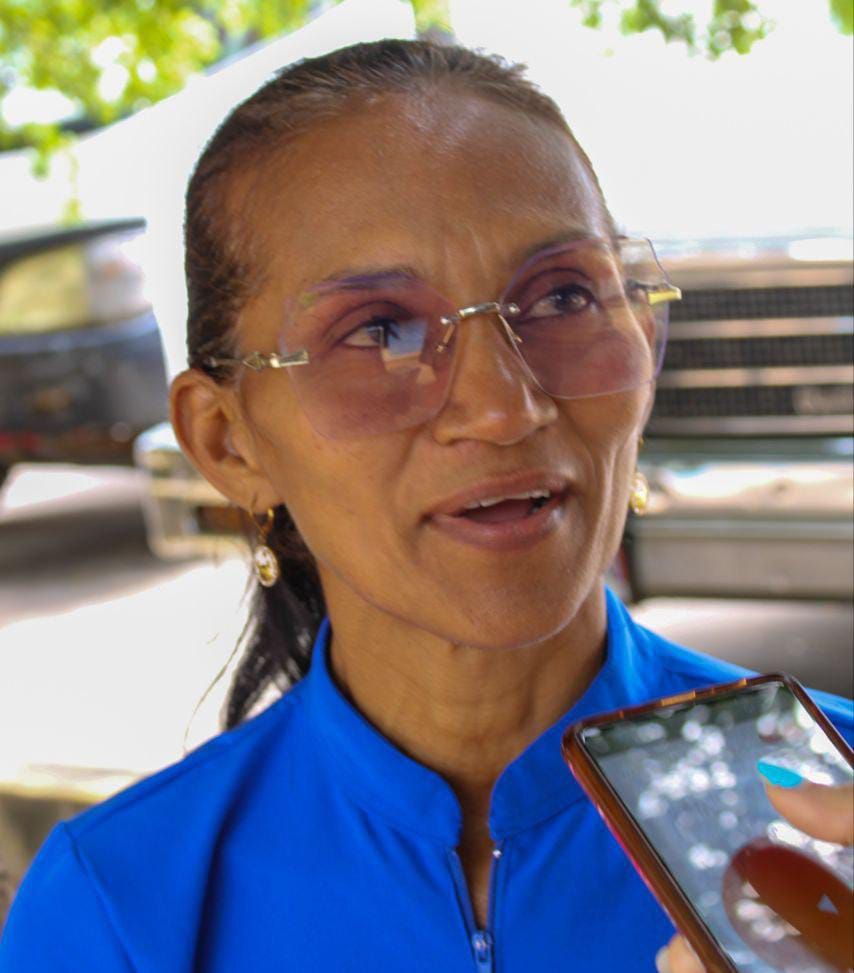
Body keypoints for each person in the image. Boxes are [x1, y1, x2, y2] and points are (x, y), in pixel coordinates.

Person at [0, 39, 851, 972]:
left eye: (563, 298)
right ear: (227, 442)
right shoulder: (121, 908)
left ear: (643, 341)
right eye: (378, 331)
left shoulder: (832, 809)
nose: (503, 407)